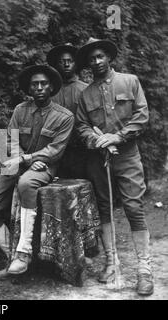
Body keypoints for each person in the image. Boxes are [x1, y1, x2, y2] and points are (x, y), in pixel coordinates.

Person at [0, 65, 74, 279]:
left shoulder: (64, 117)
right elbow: (11, 140)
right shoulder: (20, 110)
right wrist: (24, 160)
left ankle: (24, 254)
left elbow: (55, 150)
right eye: (35, 84)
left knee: (26, 183)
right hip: (18, 163)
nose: (39, 88)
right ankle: (13, 257)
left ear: (51, 87)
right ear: (29, 89)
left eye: (44, 84)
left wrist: (29, 159)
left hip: (45, 167)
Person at [75, 37, 153, 296]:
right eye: (92, 58)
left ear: (109, 57)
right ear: (87, 63)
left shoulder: (129, 81)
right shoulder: (85, 94)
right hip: (99, 159)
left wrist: (118, 136)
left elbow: (142, 116)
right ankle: (111, 262)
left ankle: (144, 269)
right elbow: (82, 125)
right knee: (104, 207)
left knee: (133, 206)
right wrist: (96, 139)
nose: (96, 62)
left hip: (127, 155)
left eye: (100, 56)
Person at [47, 43, 88, 178]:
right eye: (61, 62)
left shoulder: (86, 89)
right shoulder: (50, 92)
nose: (66, 65)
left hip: (81, 150)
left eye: (70, 61)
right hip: (55, 149)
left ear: (76, 64)